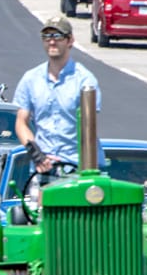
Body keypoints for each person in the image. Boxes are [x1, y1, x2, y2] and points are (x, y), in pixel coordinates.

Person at [13, 15, 102, 174]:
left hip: (78, 168)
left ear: (70, 41)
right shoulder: (30, 79)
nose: (52, 42)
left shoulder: (85, 80)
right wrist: (37, 155)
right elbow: (21, 123)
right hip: (43, 169)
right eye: (46, 37)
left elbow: (89, 126)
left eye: (57, 36)